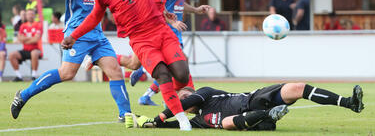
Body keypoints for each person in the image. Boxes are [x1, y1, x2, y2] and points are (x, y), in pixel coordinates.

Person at [61, 0, 193, 131]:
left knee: (182, 75)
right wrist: (73, 36)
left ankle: (170, 101)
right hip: (141, 40)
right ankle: (182, 119)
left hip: (162, 30)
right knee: (162, 74)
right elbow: (93, 19)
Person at [10, 0, 134, 127]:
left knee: (115, 71)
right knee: (67, 73)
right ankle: (23, 95)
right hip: (77, 32)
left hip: (97, 33)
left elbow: (97, 0)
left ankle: (125, 115)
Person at [129, 0, 210, 106]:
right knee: (178, 65)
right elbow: (156, 5)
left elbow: (180, 4)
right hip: (163, 28)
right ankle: (168, 98)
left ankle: (146, 89)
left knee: (172, 68)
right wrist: (171, 22)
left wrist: (196, 9)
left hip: (176, 28)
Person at [137, 83, 364, 131]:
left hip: (252, 99)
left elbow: (184, 102)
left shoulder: (204, 94)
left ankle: (349, 103)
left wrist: (158, 117)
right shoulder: (193, 121)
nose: (187, 97)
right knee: (225, 124)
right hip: (253, 122)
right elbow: (172, 125)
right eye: (183, 96)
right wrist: (151, 124)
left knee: (298, 87)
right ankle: (270, 115)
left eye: (188, 95)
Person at [8, 9, 42, 81]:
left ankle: (34, 75)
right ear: (26, 16)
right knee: (11, 55)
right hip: (25, 50)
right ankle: (19, 76)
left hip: (36, 49)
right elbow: (20, 38)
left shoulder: (38, 25)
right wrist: (30, 38)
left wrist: (25, 39)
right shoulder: (23, 25)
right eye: (28, 14)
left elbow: (36, 39)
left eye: (31, 14)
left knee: (34, 53)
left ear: (34, 15)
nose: (30, 16)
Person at [0, 13, 6, 82]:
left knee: (2, 54)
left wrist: (1, 49)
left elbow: (3, 41)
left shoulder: (2, 29)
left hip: (1, 48)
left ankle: (0, 75)